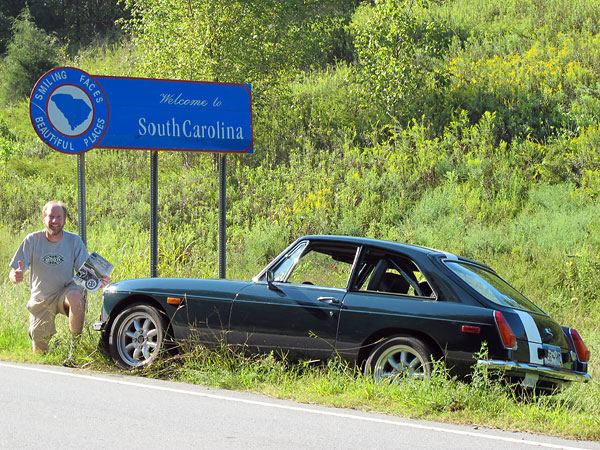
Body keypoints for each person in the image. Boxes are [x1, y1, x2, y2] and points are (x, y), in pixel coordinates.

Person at [8, 200, 110, 354]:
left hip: (65, 292)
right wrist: (15, 276)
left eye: (58, 217)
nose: (54, 221)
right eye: (50, 217)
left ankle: (75, 348)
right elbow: (14, 272)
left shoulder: (74, 241)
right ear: (44, 219)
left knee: (76, 295)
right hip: (41, 299)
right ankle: (37, 334)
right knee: (41, 353)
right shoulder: (32, 240)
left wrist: (100, 280)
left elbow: (86, 272)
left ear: (64, 220)